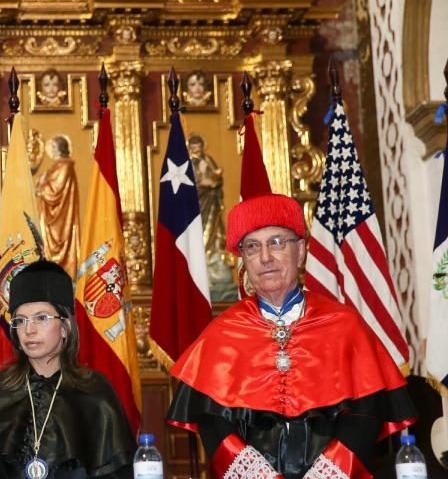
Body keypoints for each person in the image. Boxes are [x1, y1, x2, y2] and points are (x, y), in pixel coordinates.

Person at [165, 193, 416, 479]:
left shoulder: (344, 324)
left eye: (276, 242)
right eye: (252, 247)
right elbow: (212, 422)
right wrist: (257, 474)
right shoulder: (224, 332)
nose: (265, 257)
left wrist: (329, 471)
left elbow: (366, 412)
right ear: (243, 260)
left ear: (301, 252)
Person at [0, 260, 135, 479]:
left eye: (41, 318)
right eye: (20, 320)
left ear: (65, 327)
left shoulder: (96, 393)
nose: (29, 330)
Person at [36, 136, 80, 277]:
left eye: (53, 148)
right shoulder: (56, 166)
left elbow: (55, 190)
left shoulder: (65, 166)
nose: (50, 151)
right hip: (51, 214)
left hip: (61, 217)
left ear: (60, 149)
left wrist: (42, 187)